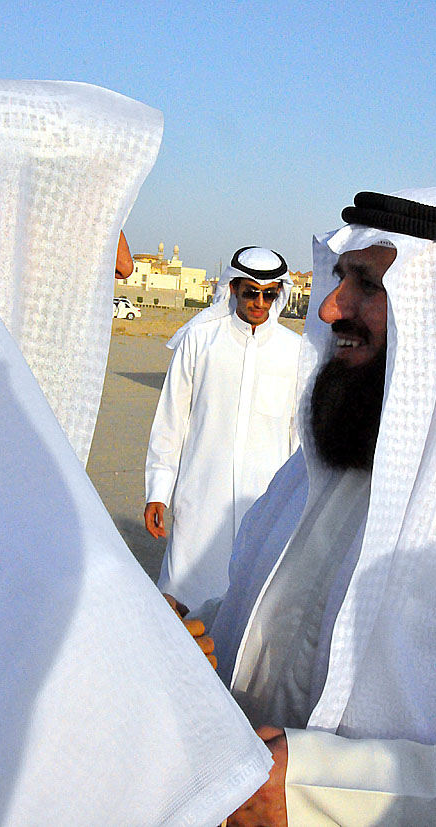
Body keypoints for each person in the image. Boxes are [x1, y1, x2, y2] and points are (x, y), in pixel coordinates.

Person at [0, 79, 272, 827]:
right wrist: (132, 659)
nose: (122, 264)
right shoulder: (198, 337)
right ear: (8, 216)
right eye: (104, 223)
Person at [202, 188, 436, 825]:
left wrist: (321, 790)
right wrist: (201, 633)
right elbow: (283, 623)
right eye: (340, 276)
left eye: (368, 285)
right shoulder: (317, 466)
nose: (328, 308)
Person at [145, 246, 301, 607]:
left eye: (269, 293)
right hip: (200, 497)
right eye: (251, 292)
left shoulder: (294, 352)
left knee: (249, 609)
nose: (260, 302)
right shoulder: (199, 342)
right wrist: (158, 489)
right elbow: (172, 419)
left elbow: (298, 436)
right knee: (180, 603)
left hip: (263, 502)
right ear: (233, 289)